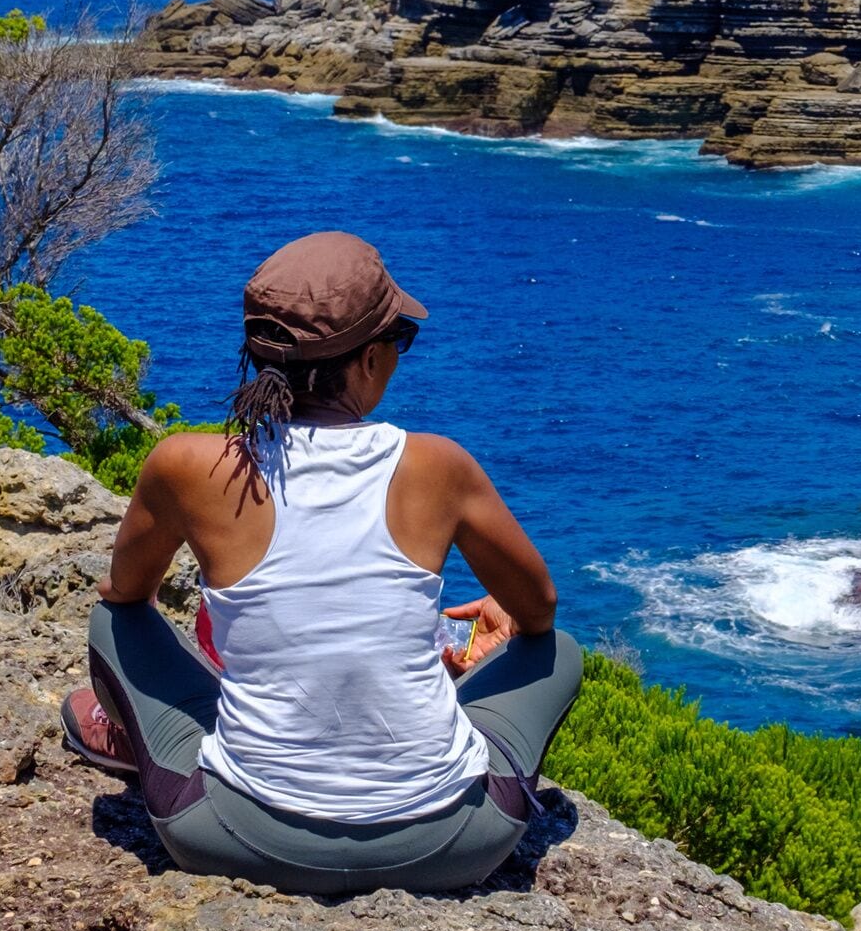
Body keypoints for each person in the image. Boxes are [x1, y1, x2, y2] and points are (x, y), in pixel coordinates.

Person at [64, 230, 580, 894]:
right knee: (557, 650)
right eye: (399, 340)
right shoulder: (437, 466)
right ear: (366, 361)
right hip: (452, 845)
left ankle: (133, 738)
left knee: (115, 621)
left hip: (233, 839)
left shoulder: (187, 465)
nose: (398, 355)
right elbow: (539, 609)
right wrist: (503, 628)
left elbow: (126, 591)